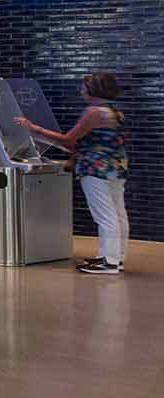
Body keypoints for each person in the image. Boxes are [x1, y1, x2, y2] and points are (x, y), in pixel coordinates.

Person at [20, 72, 131, 275]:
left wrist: (33, 128)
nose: (81, 91)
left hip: (95, 168)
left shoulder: (93, 112)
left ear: (93, 89)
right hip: (116, 168)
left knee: (105, 216)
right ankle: (116, 258)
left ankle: (109, 263)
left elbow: (69, 139)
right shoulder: (115, 112)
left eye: (83, 87)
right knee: (117, 213)